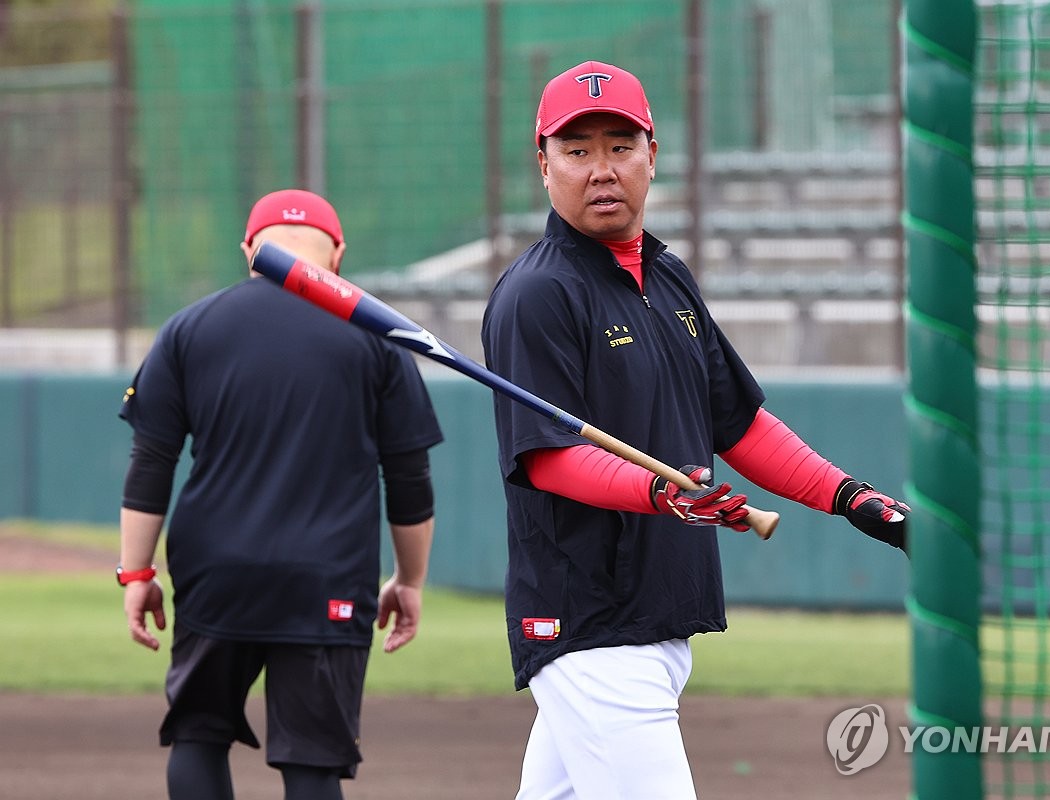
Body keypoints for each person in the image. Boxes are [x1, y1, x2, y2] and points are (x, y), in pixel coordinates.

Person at [481, 60, 910, 799]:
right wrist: (663, 492)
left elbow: (736, 425)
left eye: (619, 145)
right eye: (577, 151)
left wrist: (849, 497)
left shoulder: (668, 279)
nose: (601, 169)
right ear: (543, 163)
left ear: (654, 155)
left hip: (648, 619)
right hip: (593, 622)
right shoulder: (538, 294)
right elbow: (549, 458)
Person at [117, 189, 443, 800]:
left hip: (216, 576)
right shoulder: (380, 338)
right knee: (313, 765)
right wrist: (410, 580)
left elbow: (150, 464)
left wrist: (135, 572)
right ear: (338, 254)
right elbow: (408, 479)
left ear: (249, 251)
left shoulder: (189, 328)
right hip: (328, 578)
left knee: (198, 739)